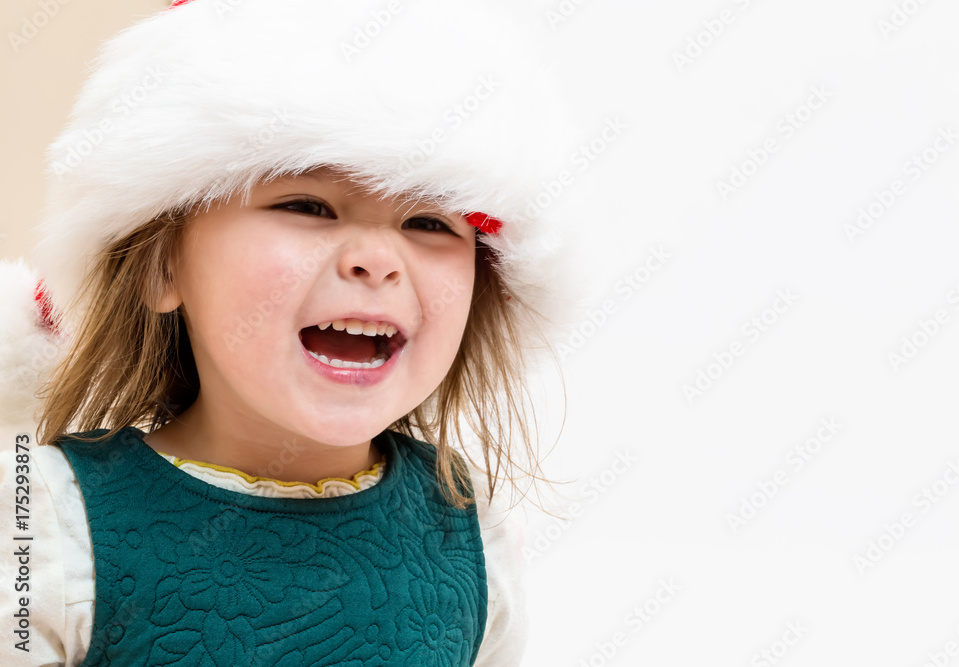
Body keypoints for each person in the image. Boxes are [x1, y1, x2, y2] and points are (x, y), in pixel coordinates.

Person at [0, 0, 585, 665]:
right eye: (307, 205)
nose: (378, 258)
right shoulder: (46, 520)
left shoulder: (469, 523)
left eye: (429, 222)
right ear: (164, 264)